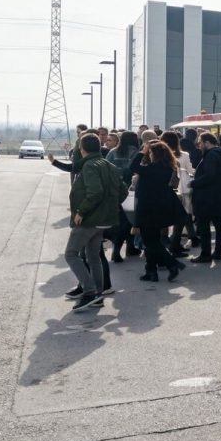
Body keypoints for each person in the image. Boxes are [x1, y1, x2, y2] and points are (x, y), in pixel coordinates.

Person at [62, 133, 128, 312]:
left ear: (82, 149)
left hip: (89, 219)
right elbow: (123, 191)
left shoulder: (90, 166)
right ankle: (98, 295)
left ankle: (89, 291)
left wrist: (81, 211)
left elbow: (95, 192)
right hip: (105, 219)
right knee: (93, 257)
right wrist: (109, 206)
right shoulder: (108, 165)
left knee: (71, 254)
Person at [130, 141, 186, 282]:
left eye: (150, 152)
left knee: (150, 242)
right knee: (153, 240)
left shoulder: (152, 168)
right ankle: (151, 271)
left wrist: (141, 152)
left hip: (147, 208)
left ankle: (172, 264)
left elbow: (133, 167)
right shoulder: (167, 167)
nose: (148, 154)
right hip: (159, 208)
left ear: (155, 154)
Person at [189, 132, 221, 263]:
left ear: (207, 143)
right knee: (219, 225)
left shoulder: (211, 155)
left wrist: (193, 182)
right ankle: (218, 252)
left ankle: (205, 254)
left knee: (204, 227)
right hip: (218, 196)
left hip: (207, 197)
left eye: (200, 143)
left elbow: (209, 176)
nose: (199, 145)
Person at [106, 130, 140, 261]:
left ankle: (122, 248)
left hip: (114, 192)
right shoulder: (136, 153)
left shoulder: (112, 152)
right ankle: (126, 248)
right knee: (129, 221)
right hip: (130, 192)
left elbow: (106, 168)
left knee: (120, 221)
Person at [162, 131, 197, 257]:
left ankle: (170, 241)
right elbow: (190, 170)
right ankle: (176, 243)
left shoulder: (160, 155)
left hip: (165, 189)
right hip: (182, 188)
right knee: (183, 215)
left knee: (168, 216)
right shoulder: (184, 155)